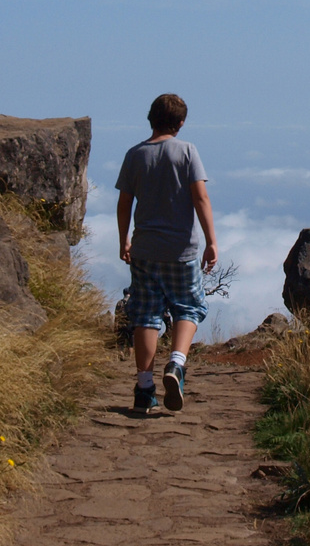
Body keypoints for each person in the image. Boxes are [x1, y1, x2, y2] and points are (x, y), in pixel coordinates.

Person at [115, 93, 218, 412]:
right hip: (181, 251)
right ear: (181, 123)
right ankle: (176, 363)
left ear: (150, 118)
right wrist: (212, 240)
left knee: (145, 313)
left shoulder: (135, 154)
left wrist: (124, 241)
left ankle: (144, 389)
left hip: (145, 248)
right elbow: (200, 198)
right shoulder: (187, 151)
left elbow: (124, 203)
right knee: (188, 306)